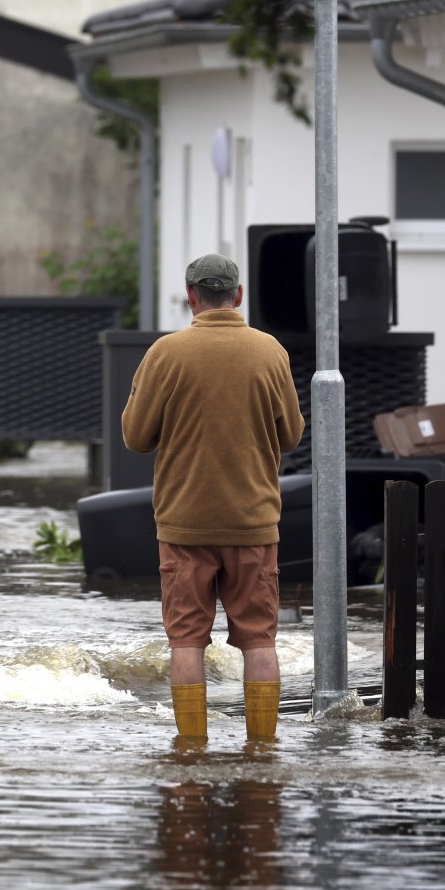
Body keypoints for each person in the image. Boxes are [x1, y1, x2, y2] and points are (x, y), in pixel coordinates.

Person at [121, 254, 304, 743]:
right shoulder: (271, 352)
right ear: (238, 296)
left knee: (186, 644)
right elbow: (291, 435)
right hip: (253, 522)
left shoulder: (165, 353)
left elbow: (136, 437)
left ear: (191, 297)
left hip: (185, 526)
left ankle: (191, 750)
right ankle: (262, 748)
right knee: (260, 642)